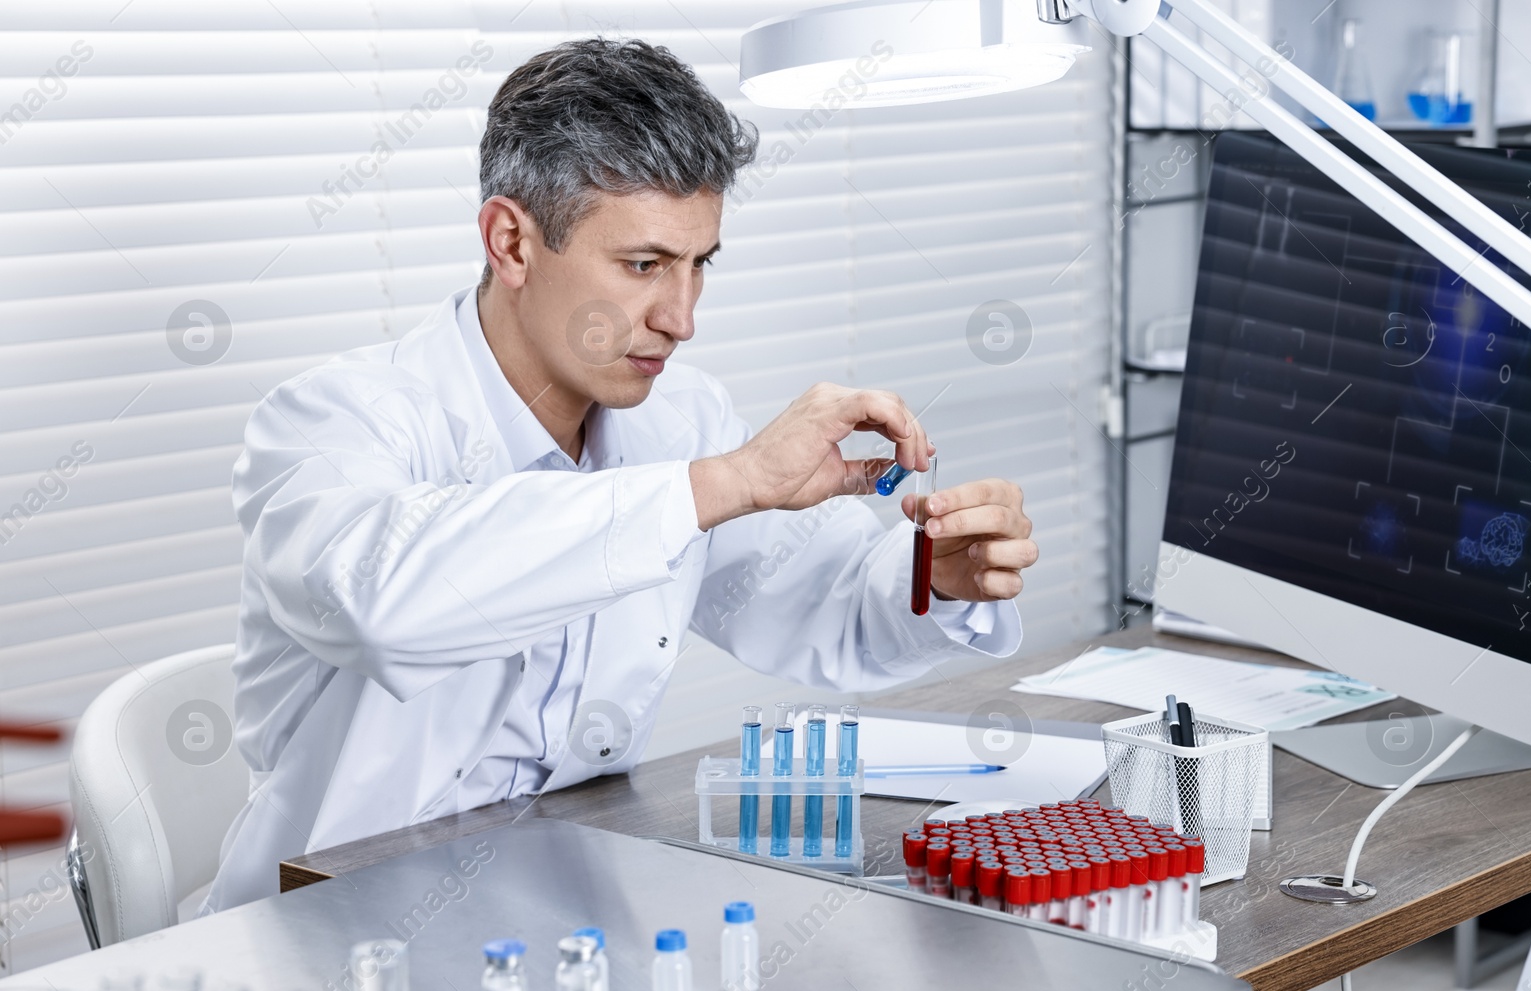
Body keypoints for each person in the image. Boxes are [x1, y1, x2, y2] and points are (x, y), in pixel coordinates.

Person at [201, 38, 1038, 912]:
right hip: (324, 941)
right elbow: (383, 602)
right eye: (643, 265)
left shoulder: (679, 423)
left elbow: (819, 601)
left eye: (697, 264)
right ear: (512, 242)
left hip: (559, 924)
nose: (680, 319)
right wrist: (721, 484)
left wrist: (933, 577)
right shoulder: (334, 421)